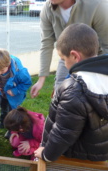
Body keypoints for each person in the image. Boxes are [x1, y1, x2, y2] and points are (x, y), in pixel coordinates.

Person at [34, 23, 108, 162]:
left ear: (74, 56)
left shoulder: (74, 90)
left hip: (72, 153)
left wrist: (46, 154)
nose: (64, 63)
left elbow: (63, 133)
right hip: (98, 152)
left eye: (63, 59)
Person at [30, 0, 108, 98]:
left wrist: (102, 75)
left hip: (95, 59)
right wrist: (41, 80)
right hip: (66, 58)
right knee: (59, 94)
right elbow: (46, 43)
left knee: (94, 97)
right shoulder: (47, 8)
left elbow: (106, 44)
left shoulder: (97, 4)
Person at [0, 48, 32, 136]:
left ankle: (11, 130)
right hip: (2, 93)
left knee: (12, 112)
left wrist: (15, 90)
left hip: (14, 96)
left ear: (8, 64)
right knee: (3, 109)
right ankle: (2, 123)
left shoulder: (20, 72)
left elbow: (27, 83)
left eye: (2, 70)